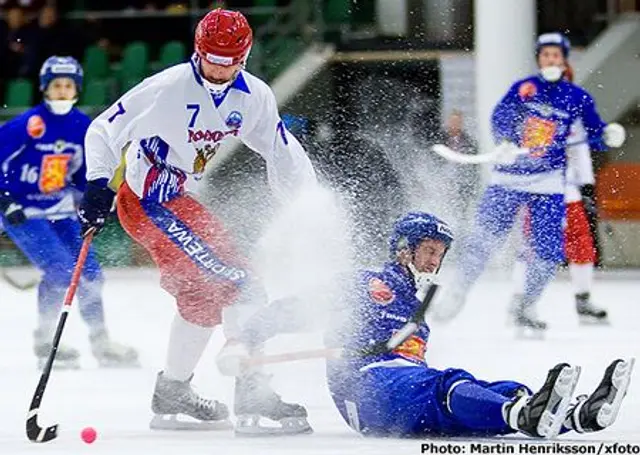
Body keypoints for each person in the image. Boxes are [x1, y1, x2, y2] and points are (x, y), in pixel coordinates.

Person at [77, 8, 317, 435]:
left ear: (244, 57)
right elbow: (102, 130)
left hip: (178, 200)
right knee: (242, 280)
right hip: (148, 201)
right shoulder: (166, 88)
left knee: (203, 298)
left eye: (230, 61)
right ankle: (252, 392)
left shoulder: (254, 96)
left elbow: (282, 151)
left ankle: (172, 391)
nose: (220, 70)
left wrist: (303, 202)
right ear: (198, 50)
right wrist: (98, 184)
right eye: (212, 59)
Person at [326, 211, 634, 438]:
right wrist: (276, 320)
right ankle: (522, 414)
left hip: (397, 394)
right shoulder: (367, 281)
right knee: (446, 385)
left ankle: (572, 416)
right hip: (366, 387)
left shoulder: (416, 306)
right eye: (429, 251)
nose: (435, 261)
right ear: (404, 249)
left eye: (440, 254)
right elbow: (309, 303)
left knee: (494, 391)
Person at [431, 33, 626, 331]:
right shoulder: (525, 88)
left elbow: (593, 131)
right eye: (545, 55)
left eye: (556, 56)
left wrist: (607, 135)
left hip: (548, 183)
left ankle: (526, 305)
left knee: (549, 250)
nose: (551, 60)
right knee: (484, 237)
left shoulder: (576, 97)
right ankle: (457, 292)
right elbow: (501, 116)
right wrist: (505, 140)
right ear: (539, 59)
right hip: (508, 178)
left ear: (563, 60)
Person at [0, 56, 139, 369]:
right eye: (56, 85)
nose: (62, 91)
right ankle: (45, 340)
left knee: (91, 275)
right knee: (61, 273)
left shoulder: (81, 126)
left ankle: (101, 342)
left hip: (60, 211)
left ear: (76, 88)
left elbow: (82, 174)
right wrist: (4, 199)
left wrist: (96, 194)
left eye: (68, 85)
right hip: (23, 213)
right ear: (44, 89)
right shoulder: (27, 125)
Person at [510, 64, 607, 327]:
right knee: (534, 247)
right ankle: (521, 303)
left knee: (582, 245)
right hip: (543, 191)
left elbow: (580, 155)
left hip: (569, 192)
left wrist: (585, 187)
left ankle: (583, 299)